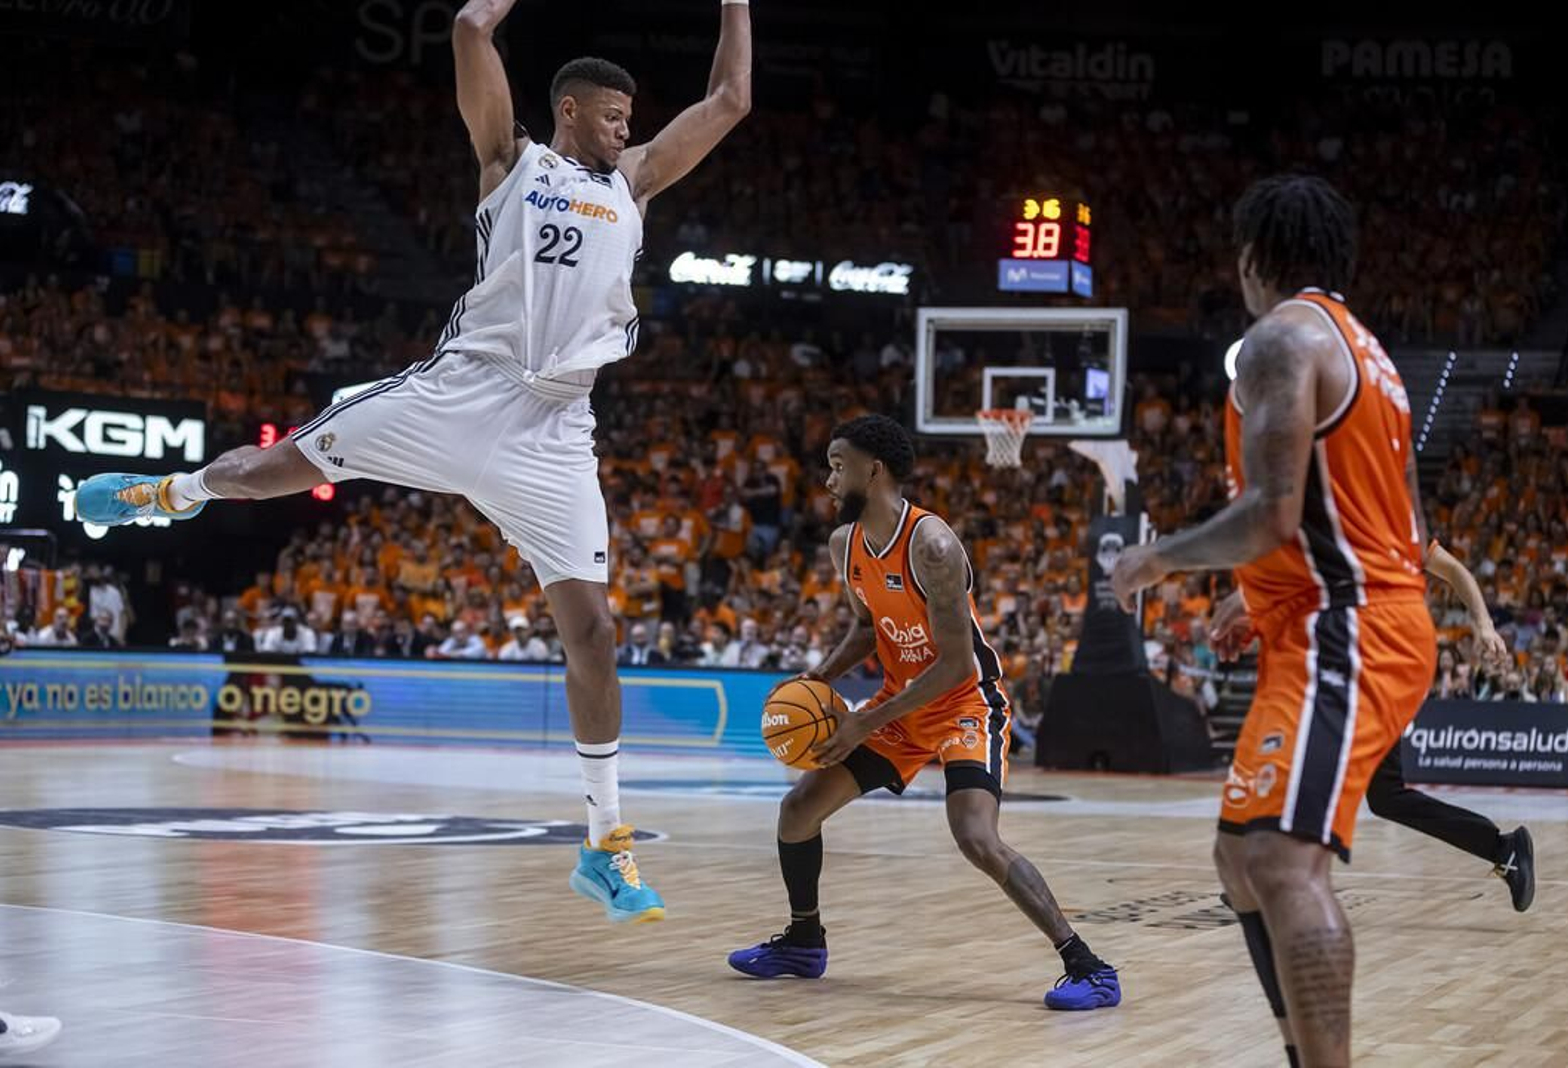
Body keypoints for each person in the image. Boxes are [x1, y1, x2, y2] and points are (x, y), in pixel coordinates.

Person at [74, 0, 752, 925]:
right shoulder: (512, 164)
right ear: (566, 110)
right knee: (268, 472)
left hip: (554, 430)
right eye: (610, 112)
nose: (627, 124)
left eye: (631, 115)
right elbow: (472, 28)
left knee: (593, 633)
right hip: (460, 391)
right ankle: (169, 491)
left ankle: (605, 847)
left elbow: (730, 98)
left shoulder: (633, 186)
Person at [1113, 175, 1437, 1068]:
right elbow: (1393, 525)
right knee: (1240, 861)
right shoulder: (1370, 355)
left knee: (1286, 865)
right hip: (1334, 619)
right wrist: (1255, 596)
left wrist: (1161, 555)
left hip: (1350, 627)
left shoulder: (1277, 339)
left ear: (1255, 257)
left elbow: (1273, 513)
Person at [727, 416, 1119, 1011]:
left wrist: (862, 721)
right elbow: (867, 628)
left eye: (838, 465)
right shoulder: (846, 545)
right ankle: (805, 942)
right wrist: (821, 678)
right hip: (900, 705)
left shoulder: (932, 546)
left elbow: (958, 665)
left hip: (965, 701)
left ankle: (1088, 966)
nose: (828, 479)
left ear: (873, 470)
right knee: (798, 810)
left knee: (976, 838)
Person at [1209, 539, 1536, 913]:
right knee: (1386, 797)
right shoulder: (1318, 532)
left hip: (1381, 672)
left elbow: (1454, 570)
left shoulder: (1386, 529)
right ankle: (1502, 847)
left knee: (1304, 764)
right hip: (1355, 671)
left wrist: (1484, 623)